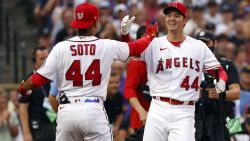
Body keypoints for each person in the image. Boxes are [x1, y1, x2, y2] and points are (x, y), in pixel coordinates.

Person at [18, 3, 158, 141]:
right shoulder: (106, 45)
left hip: (67, 111)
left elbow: (38, 79)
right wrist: (149, 35)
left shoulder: (61, 47)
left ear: (76, 23)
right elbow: (135, 49)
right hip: (93, 110)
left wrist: (23, 89)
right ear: (95, 23)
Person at [121, 2, 228, 141]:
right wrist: (125, 34)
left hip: (184, 110)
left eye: (177, 16)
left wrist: (222, 82)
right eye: (169, 15)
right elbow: (129, 51)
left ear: (185, 20)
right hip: (158, 107)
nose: (172, 19)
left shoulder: (198, 47)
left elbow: (219, 71)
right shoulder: (154, 43)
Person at [195, 30, 240, 141]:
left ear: (215, 43)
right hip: (199, 118)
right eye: (200, 43)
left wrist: (220, 94)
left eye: (207, 43)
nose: (204, 46)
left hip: (226, 116)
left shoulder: (227, 65)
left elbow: (237, 93)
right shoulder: (192, 67)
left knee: (237, 138)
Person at [18, 46, 56, 141]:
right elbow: (23, 106)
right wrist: (26, 133)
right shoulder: (29, 80)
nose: (45, 61)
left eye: (47, 58)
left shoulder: (56, 75)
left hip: (57, 123)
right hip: (39, 126)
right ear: (34, 60)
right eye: (42, 58)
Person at [123, 25, 150, 133]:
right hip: (143, 119)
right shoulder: (137, 62)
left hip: (157, 117)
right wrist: (141, 111)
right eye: (146, 37)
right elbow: (128, 89)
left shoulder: (158, 60)